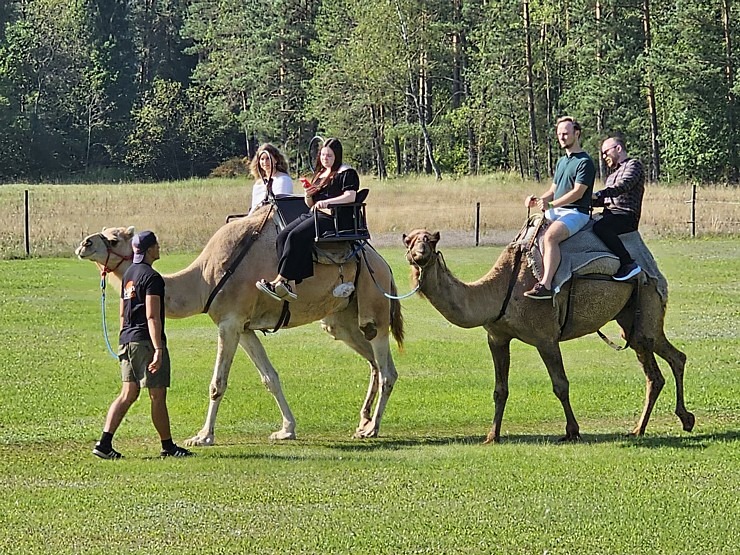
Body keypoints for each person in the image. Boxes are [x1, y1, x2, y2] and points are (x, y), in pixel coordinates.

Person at [92, 231, 193, 459]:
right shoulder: (152, 277)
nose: (159, 248)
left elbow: (121, 312)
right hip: (145, 342)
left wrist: (123, 339)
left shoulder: (128, 274)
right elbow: (152, 316)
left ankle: (104, 443)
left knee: (127, 393)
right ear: (149, 250)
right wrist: (158, 349)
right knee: (157, 396)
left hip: (127, 339)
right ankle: (168, 447)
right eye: (156, 245)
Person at [256, 138, 359, 302]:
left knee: (297, 236)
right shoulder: (320, 174)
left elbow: (351, 195)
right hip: (315, 214)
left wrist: (328, 202)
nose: (325, 159)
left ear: (337, 156)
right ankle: (291, 283)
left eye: (329, 156)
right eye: (323, 155)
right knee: (284, 235)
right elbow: (310, 203)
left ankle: (280, 280)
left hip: (334, 218)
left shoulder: (346, 173)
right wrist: (308, 194)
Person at [524, 116, 596, 300]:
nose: (562, 137)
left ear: (576, 134)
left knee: (550, 237)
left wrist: (551, 205)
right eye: (559, 134)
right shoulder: (561, 162)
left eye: (565, 133)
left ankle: (546, 285)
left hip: (576, 212)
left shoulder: (585, 162)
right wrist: (538, 200)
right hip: (557, 210)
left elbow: (578, 193)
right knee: (529, 233)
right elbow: (553, 190)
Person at [592, 136, 645, 281]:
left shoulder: (634, 165)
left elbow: (624, 186)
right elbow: (607, 200)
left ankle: (628, 263)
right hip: (610, 214)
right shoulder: (611, 176)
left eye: (606, 152)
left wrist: (599, 194)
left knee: (600, 228)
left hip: (626, 216)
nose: (604, 157)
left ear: (618, 149)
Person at [247, 143, 294, 215]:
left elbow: (280, 207)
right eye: (262, 159)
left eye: (268, 158)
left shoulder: (283, 179)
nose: (265, 162)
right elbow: (254, 207)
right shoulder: (258, 183)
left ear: (276, 160)